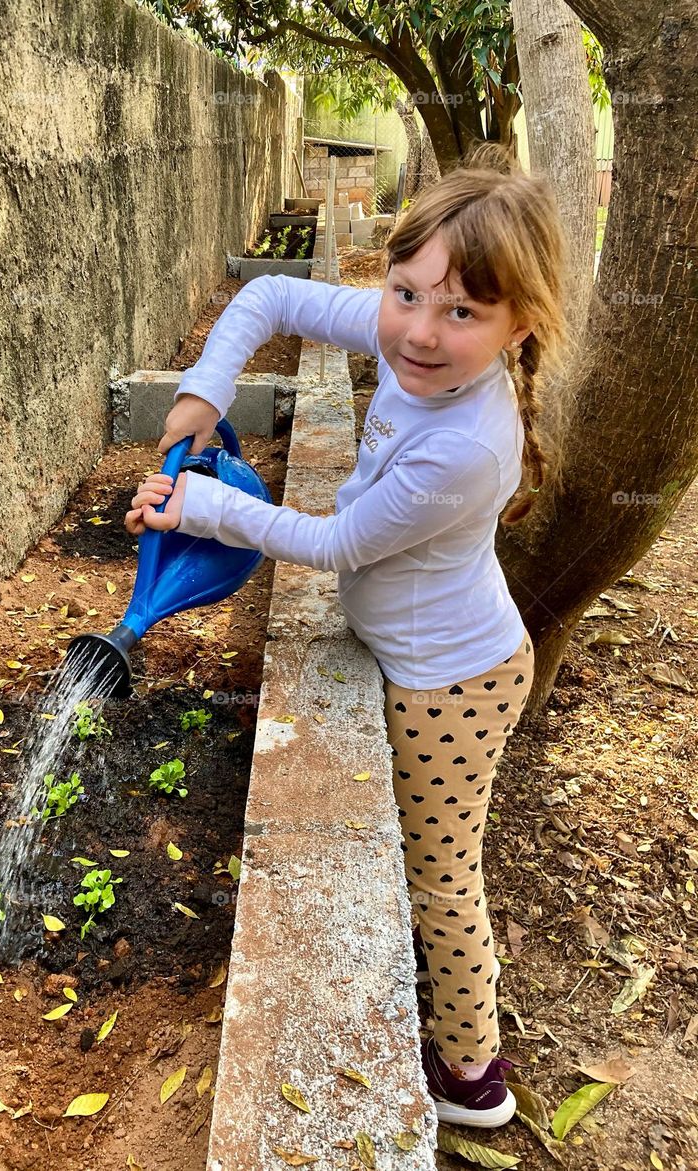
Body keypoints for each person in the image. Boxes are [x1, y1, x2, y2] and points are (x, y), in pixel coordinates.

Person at [123, 144, 568, 1128]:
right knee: (429, 852)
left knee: (443, 871)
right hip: (426, 656)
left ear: (517, 324)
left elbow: (333, 540)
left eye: (462, 313)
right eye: (408, 294)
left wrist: (201, 502)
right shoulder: (407, 333)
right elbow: (272, 295)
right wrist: (203, 389)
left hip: (452, 683)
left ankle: (471, 1077)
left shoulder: (465, 447)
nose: (418, 330)